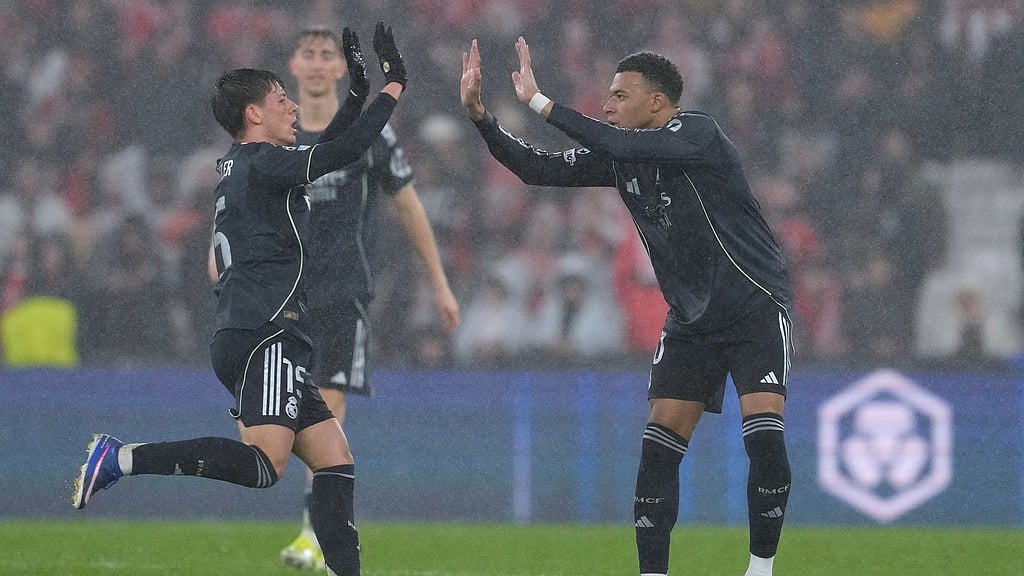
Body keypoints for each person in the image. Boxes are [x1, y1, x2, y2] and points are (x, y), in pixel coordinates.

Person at [71, 23, 408, 576]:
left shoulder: (247, 164)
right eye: (281, 99)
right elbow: (340, 152)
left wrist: (357, 93)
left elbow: (324, 146)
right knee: (264, 466)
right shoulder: (264, 163)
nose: (293, 107)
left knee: (334, 460)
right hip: (264, 332)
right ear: (254, 115)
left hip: (254, 331)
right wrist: (394, 87)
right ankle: (122, 458)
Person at [460, 38, 794, 576]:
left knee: (763, 436)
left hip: (752, 302)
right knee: (659, 447)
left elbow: (624, 146)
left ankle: (760, 568)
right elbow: (534, 168)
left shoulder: (698, 134)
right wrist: (481, 118)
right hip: (691, 318)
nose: (607, 105)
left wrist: (541, 102)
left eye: (619, 96)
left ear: (658, 103)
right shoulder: (623, 158)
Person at [278, 26, 460, 570]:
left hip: (343, 293)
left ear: (340, 69)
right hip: (283, 297)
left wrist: (440, 281)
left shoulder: (367, 136)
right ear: (293, 65)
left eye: (326, 55)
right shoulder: (277, 139)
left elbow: (409, 206)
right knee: (277, 426)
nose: (315, 63)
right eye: (307, 54)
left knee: (327, 411)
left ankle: (312, 533)